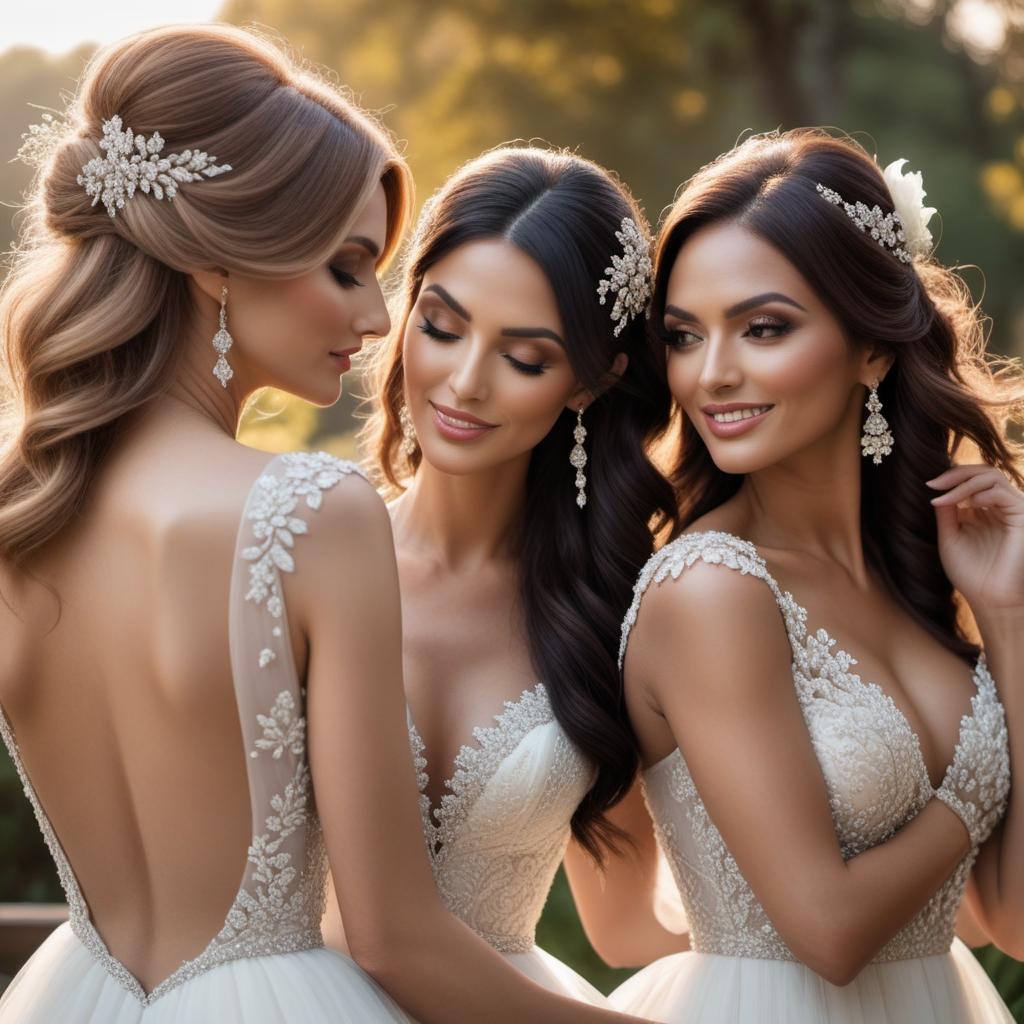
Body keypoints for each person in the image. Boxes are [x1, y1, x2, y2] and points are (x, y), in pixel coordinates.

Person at [0, 25, 655, 1024]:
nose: (374, 319)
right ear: (222, 260)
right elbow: (393, 936)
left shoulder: (23, 505)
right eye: (349, 267)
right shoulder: (310, 512)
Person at [599, 129, 1023, 1022]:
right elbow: (825, 933)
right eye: (684, 335)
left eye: (763, 328)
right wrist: (971, 795)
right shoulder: (707, 590)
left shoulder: (915, 577)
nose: (712, 375)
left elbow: (1011, 918)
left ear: (872, 350)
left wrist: (1010, 615)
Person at [322, 145, 686, 996]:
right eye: (442, 327)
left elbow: (624, 923)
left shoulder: (615, 611)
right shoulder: (301, 560)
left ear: (593, 383)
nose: (463, 382)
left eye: (525, 358)